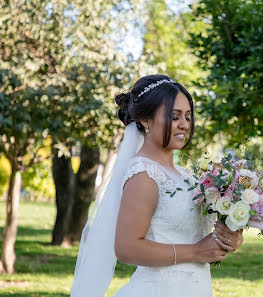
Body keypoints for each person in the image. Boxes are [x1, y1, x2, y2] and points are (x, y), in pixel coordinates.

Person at [70, 74, 244, 297]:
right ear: (145, 120)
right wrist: (196, 252)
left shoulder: (188, 177)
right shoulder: (144, 175)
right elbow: (126, 249)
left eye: (188, 116)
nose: (184, 124)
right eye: (174, 116)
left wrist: (230, 237)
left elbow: (199, 234)